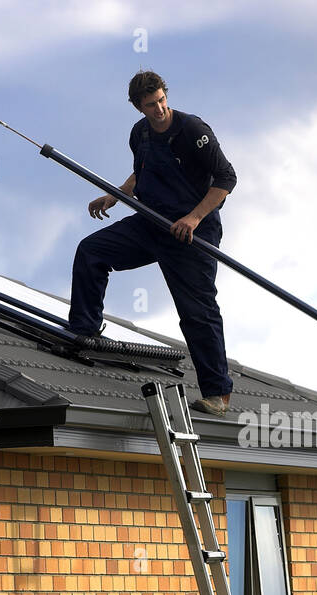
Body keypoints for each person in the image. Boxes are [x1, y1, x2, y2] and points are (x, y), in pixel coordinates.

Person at [69, 71, 237, 417]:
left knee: (197, 313)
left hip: (192, 235)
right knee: (92, 251)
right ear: (138, 107)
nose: (159, 108)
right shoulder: (140, 133)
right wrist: (116, 195)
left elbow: (225, 179)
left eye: (162, 100)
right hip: (151, 224)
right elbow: (143, 172)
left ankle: (217, 395)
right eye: (151, 104)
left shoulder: (194, 131)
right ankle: (84, 333)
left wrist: (193, 218)